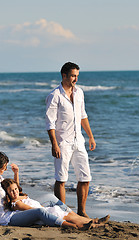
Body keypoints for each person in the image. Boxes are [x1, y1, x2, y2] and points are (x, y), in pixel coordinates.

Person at [0, 152, 79, 228]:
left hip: (13, 210)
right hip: (7, 218)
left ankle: (74, 216)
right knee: (40, 212)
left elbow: (15, 190)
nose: (5, 169)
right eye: (3, 167)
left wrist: (16, 174)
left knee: (50, 197)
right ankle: (70, 225)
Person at [45, 62, 96, 217]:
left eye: (77, 76)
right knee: (61, 179)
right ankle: (62, 212)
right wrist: (54, 144)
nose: (75, 79)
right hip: (62, 142)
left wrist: (91, 136)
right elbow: (50, 122)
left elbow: (83, 116)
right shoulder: (54, 96)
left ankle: (82, 211)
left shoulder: (79, 92)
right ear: (64, 75)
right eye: (73, 76)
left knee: (85, 177)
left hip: (78, 141)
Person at [1, 178, 110, 229]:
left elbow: (17, 188)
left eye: (16, 189)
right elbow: (33, 210)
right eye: (11, 191)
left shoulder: (17, 196)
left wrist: (16, 173)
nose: (15, 192)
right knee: (68, 216)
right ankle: (90, 224)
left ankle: (93, 221)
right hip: (42, 213)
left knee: (69, 214)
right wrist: (47, 210)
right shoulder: (17, 204)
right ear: (7, 193)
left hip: (42, 210)